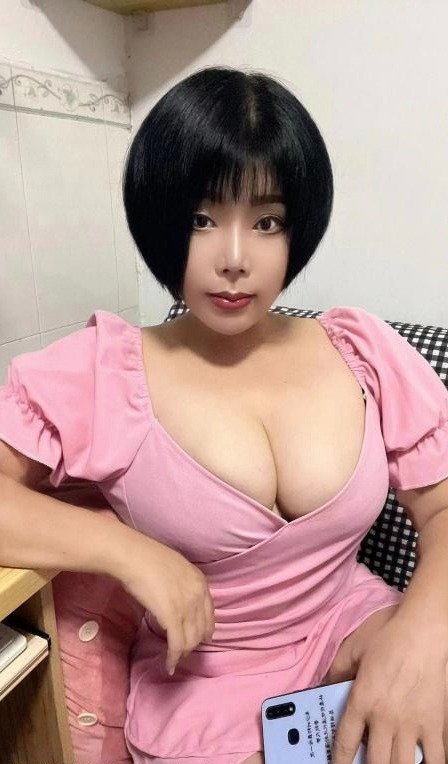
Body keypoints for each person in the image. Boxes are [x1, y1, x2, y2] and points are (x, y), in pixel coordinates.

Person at [1, 65, 448, 764]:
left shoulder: (360, 349)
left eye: (267, 222)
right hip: (204, 683)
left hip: (355, 628)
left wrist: (424, 637)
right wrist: (126, 550)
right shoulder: (105, 370)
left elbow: (442, 506)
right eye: (201, 219)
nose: (234, 259)